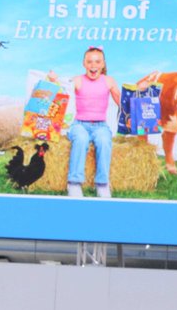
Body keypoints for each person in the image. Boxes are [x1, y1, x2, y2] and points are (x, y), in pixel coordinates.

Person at [48, 47, 122, 198]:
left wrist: (139, 93)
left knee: (104, 141)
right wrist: (54, 80)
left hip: (101, 125)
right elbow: (63, 90)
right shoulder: (78, 80)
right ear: (84, 63)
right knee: (81, 139)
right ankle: (74, 183)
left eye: (97, 61)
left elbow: (122, 101)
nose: (93, 65)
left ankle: (102, 184)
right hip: (79, 124)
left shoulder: (109, 81)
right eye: (89, 61)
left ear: (103, 64)